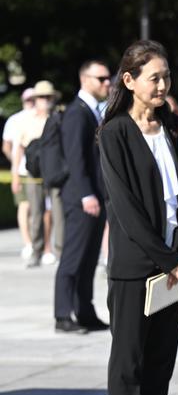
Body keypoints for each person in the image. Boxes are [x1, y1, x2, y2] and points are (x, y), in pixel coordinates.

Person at [98, 40, 178, 395]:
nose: (162, 84)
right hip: (135, 268)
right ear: (130, 81)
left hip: (173, 265)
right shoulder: (115, 132)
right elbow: (125, 210)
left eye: (166, 76)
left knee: (160, 360)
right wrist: (167, 259)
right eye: (153, 77)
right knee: (130, 362)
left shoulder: (174, 128)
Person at [54, 59, 112, 334]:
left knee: (89, 259)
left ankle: (85, 312)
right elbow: (76, 159)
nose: (107, 83)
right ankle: (63, 315)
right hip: (81, 198)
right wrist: (87, 194)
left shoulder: (91, 111)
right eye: (101, 78)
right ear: (85, 79)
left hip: (94, 197)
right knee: (74, 257)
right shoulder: (77, 113)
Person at [10, 81, 59, 267]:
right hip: (32, 173)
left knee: (53, 212)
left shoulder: (57, 118)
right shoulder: (26, 120)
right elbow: (18, 150)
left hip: (53, 172)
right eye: (40, 97)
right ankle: (36, 250)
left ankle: (49, 248)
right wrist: (15, 175)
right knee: (36, 213)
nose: (44, 101)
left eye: (47, 97)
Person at [4, 87, 37, 263]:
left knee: (39, 210)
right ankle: (28, 242)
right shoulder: (15, 120)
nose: (31, 103)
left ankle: (37, 242)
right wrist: (16, 165)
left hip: (40, 171)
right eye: (29, 100)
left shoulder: (43, 116)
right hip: (24, 171)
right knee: (25, 207)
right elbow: (7, 146)